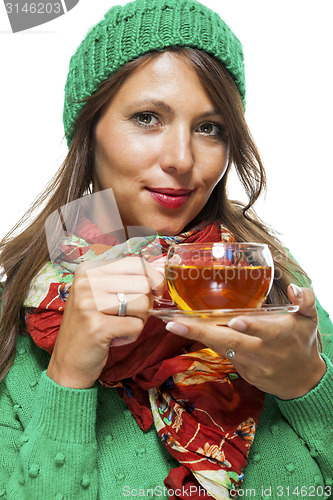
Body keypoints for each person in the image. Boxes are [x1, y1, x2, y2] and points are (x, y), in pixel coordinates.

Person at [0, 0, 332, 498]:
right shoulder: (18, 324)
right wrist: (67, 376)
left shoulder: (270, 286)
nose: (181, 159)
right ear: (89, 130)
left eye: (209, 128)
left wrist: (310, 388)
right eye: (148, 117)